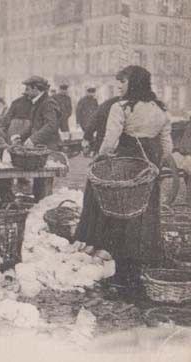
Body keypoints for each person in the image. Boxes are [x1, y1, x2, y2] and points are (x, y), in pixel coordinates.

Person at [75, 65, 172, 289]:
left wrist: (100, 159)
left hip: (125, 165)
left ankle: (122, 275)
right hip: (149, 169)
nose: (119, 85)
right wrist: (155, 165)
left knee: (120, 217)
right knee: (144, 217)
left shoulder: (121, 107)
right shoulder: (160, 109)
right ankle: (136, 272)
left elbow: (110, 142)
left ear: (134, 83)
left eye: (123, 81)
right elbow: (167, 146)